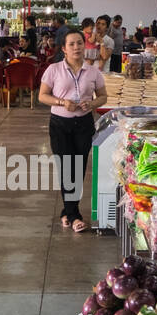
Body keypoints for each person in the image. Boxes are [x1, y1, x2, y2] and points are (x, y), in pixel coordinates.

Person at [37, 29, 109, 233]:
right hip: (60, 124)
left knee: (78, 169)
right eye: (71, 44)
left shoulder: (93, 71)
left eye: (79, 43)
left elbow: (103, 96)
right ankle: (75, 215)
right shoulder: (53, 70)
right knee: (67, 168)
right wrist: (61, 102)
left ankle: (67, 211)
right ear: (63, 49)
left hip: (84, 124)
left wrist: (92, 103)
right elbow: (42, 96)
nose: (76, 47)